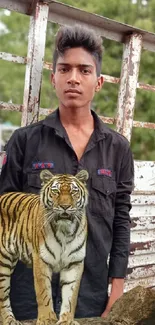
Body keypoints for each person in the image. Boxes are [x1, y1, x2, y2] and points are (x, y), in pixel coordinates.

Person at [0, 24, 134, 320]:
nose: (73, 78)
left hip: (90, 300)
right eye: (65, 69)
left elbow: (121, 219)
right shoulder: (24, 141)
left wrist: (117, 288)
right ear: (53, 78)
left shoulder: (118, 148)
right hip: (28, 303)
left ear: (98, 82)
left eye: (84, 70)